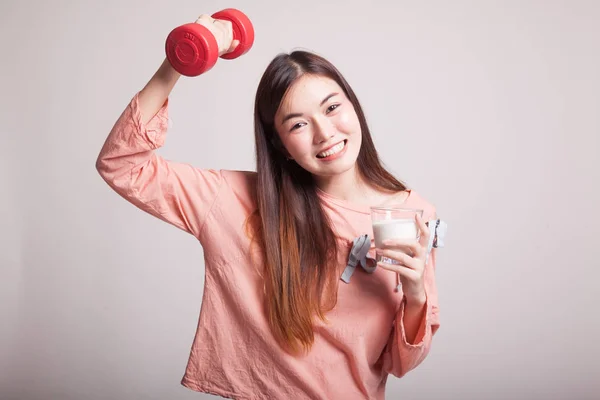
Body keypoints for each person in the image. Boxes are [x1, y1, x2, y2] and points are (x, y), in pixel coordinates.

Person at [96, 13, 443, 400]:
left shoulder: (412, 214)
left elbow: (400, 364)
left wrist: (415, 295)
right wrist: (177, 63)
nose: (325, 133)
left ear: (353, 106)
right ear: (280, 145)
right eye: (298, 125)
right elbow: (121, 163)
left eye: (331, 108)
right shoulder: (236, 200)